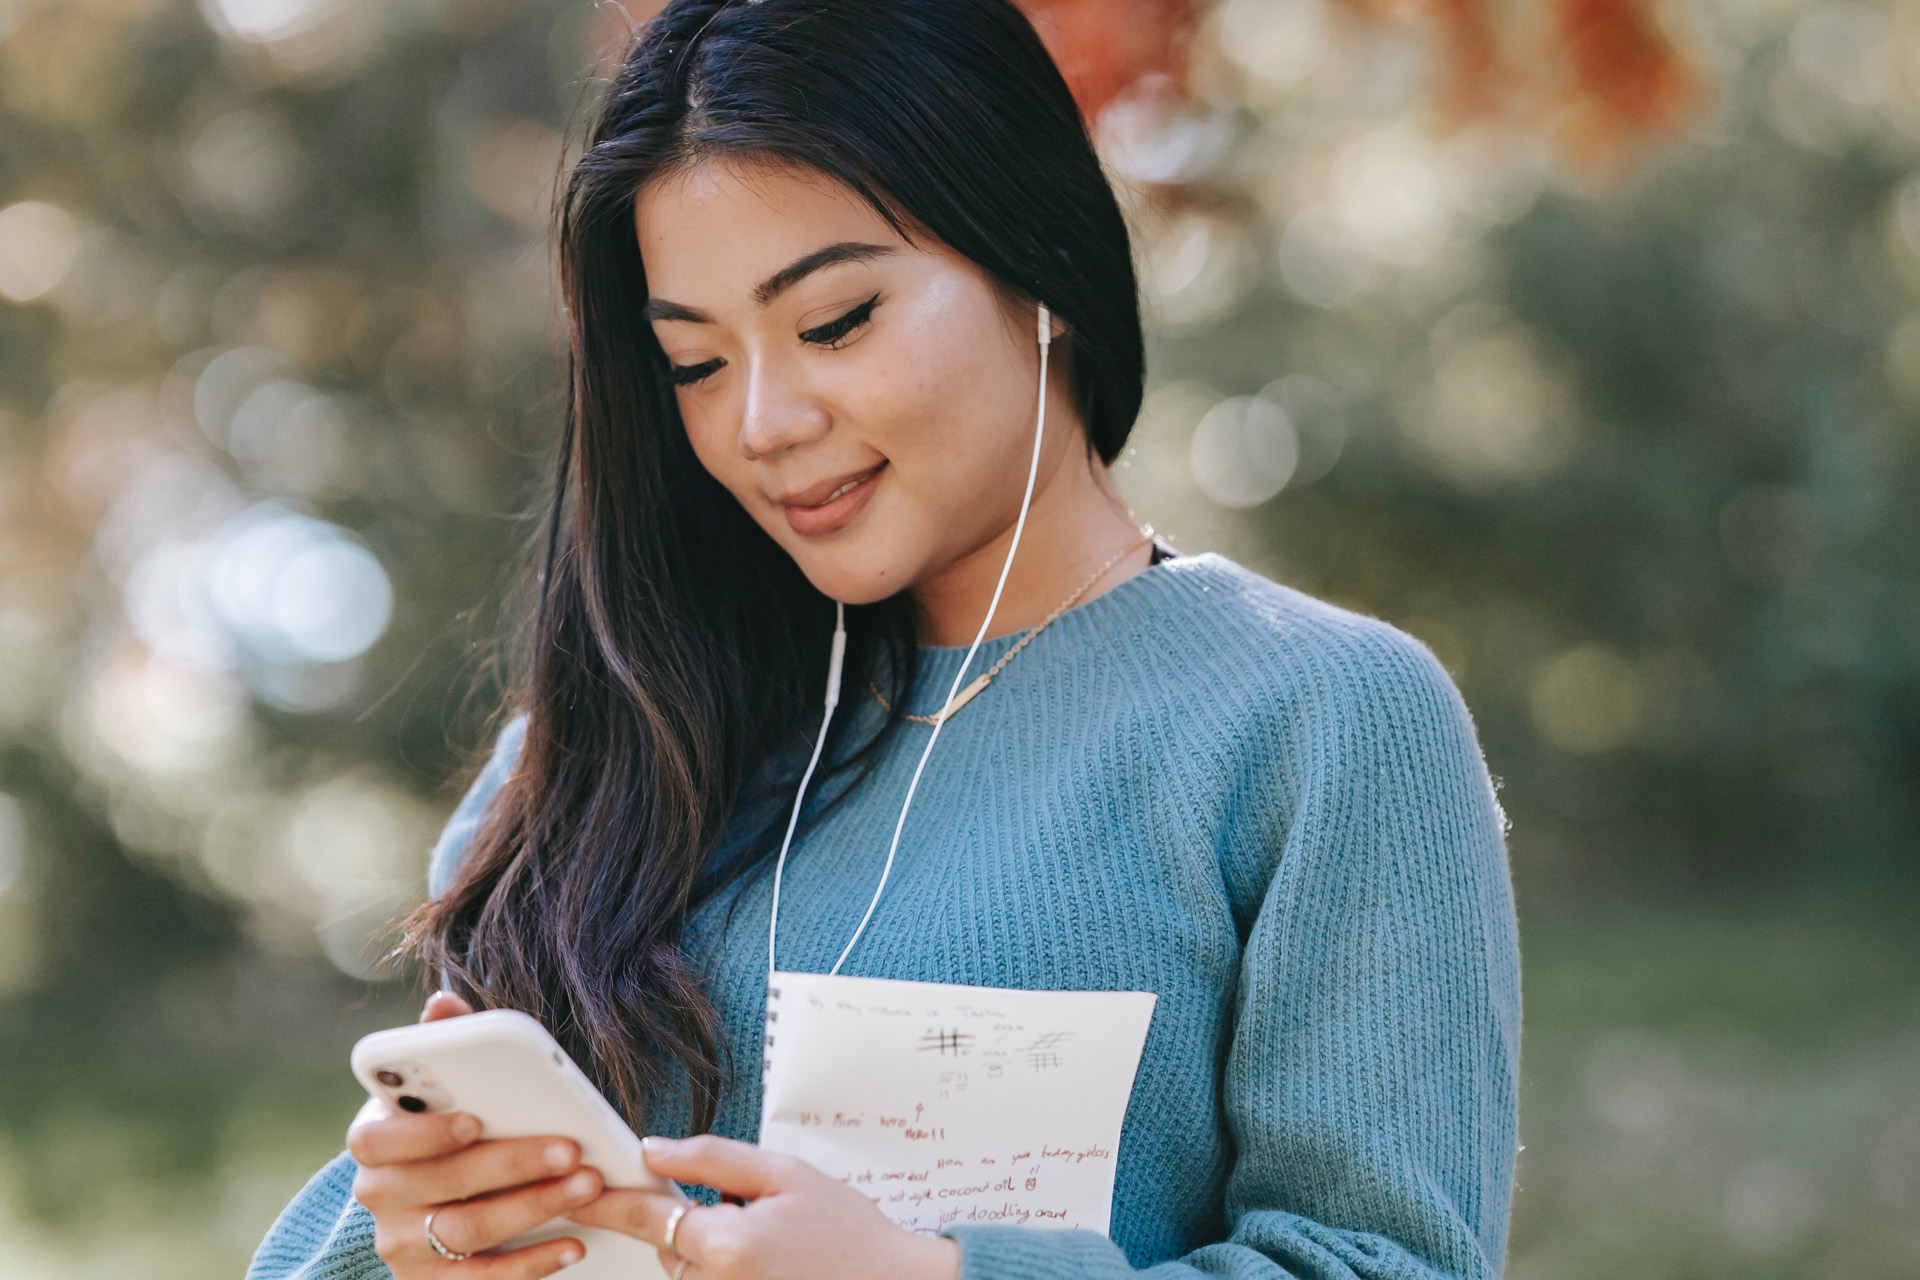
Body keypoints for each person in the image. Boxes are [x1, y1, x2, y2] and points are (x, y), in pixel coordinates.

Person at [247, 0, 1520, 1277]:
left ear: (1037, 267)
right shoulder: (611, 746)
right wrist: (405, 1240)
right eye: (693, 363)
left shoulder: (1320, 719)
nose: (762, 422)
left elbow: (1382, 1260)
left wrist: (927, 1273)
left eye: (835, 320)